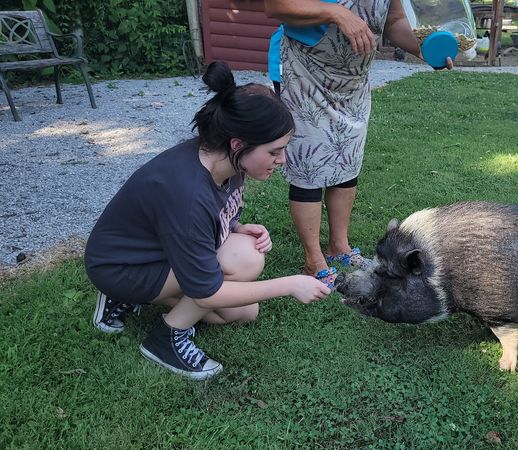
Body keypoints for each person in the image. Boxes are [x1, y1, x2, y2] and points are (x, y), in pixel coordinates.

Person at [84, 61, 330, 381]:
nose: (281, 160)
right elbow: (205, 293)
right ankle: (165, 338)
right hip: (120, 266)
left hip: (154, 251)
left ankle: (139, 299)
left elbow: (217, 213)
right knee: (238, 269)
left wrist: (237, 226)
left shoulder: (227, 162)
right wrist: (290, 284)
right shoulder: (188, 194)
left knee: (243, 311)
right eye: (274, 151)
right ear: (238, 144)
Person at [263, 0, 452, 288]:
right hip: (303, 69)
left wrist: (423, 49)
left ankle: (339, 247)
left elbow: (393, 21)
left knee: (347, 159)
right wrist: (336, 12)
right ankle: (313, 261)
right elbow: (277, 6)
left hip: (351, 80)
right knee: (309, 163)